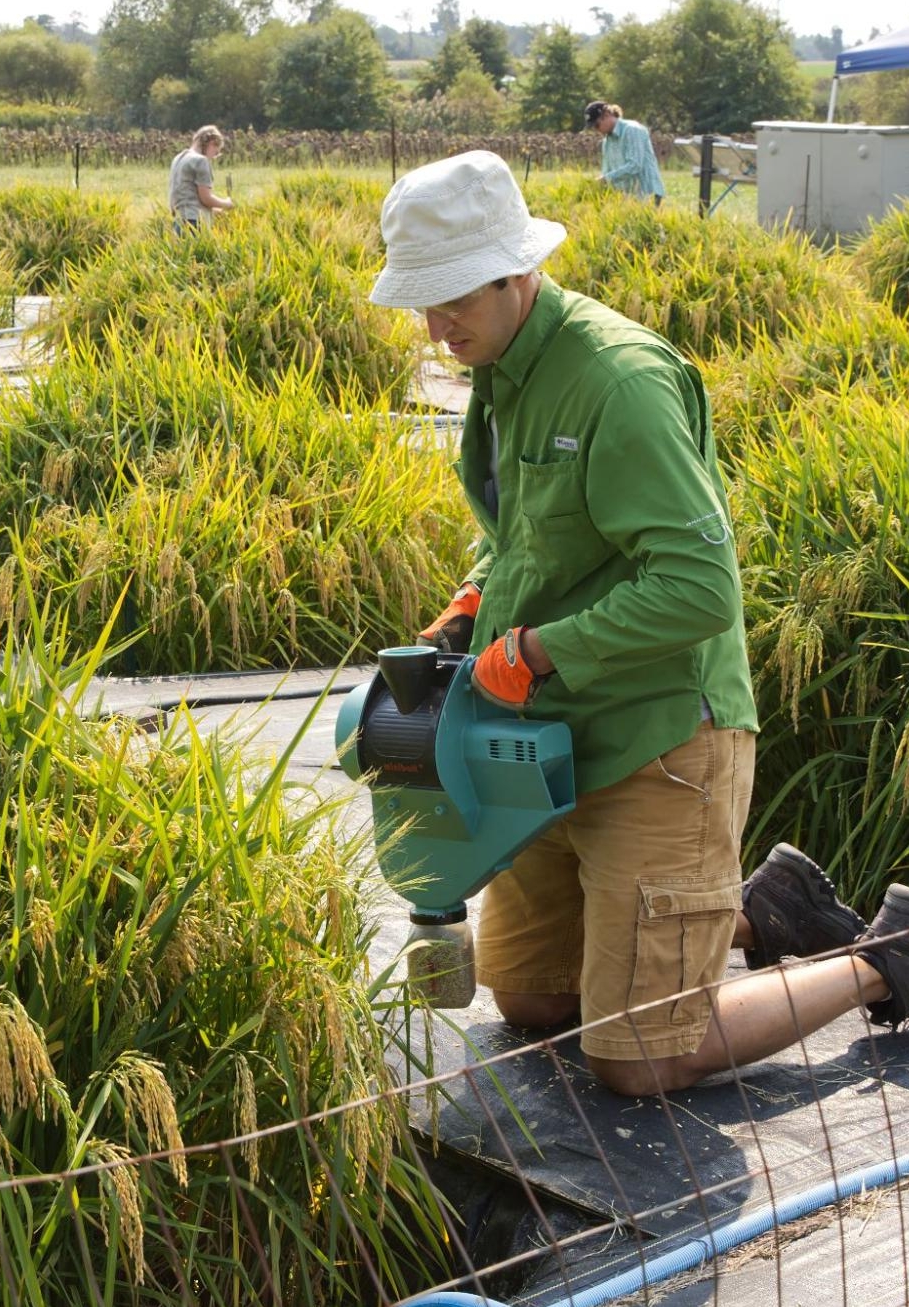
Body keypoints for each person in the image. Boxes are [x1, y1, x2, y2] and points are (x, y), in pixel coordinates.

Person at [369, 150, 909, 1097]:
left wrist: (535, 649)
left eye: (452, 295)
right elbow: (531, 535)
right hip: (546, 737)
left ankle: (886, 955)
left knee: (640, 1056)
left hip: (661, 735)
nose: (434, 323)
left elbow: (701, 587)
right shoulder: (500, 366)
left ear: (515, 267)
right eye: (421, 300)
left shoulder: (618, 383)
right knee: (532, 1001)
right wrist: (474, 600)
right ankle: (755, 911)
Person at [586, 99, 665, 206]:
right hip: (627, 198)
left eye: (597, 125)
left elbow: (635, 165)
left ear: (607, 114)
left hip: (647, 194)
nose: (596, 130)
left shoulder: (632, 130)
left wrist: (605, 179)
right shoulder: (606, 142)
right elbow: (607, 170)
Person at [167, 125, 234, 232]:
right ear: (212, 142)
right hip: (195, 223)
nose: (213, 158)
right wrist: (227, 204)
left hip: (178, 223)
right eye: (215, 153)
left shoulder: (178, 159)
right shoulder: (200, 161)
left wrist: (215, 210)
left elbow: (188, 198)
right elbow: (206, 198)